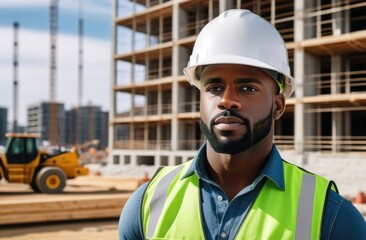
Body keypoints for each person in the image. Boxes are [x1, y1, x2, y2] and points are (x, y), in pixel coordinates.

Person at [119, 9, 366, 239]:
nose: (227, 100)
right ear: (201, 100)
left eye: (248, 88)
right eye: (214, 88)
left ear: (278, 106)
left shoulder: (329, 215)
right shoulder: (146, 205)